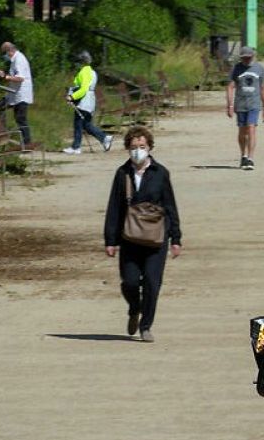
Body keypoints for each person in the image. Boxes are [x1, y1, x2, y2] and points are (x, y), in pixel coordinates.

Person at [103, 125, 183, 343]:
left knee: (151, 282)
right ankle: (134, 308)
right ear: (128, 149)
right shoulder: (122, 174)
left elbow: (170, 206)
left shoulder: (160, 173)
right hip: (129, 238)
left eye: (142, 146)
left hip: (156, 239)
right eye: (133, 147)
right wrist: (110, 240)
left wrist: (176, 238)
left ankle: (145, 326)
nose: (138, 150)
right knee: (129, 282)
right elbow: (114, 208)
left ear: (149, 147)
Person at [227, 47, 264, 170]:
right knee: (242, 131)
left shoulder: (259, 69)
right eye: (244, 57)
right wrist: (229, 105)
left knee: (251, 128)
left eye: (248, 57)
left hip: (254, 104)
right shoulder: (236, 69)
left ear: (253, 56)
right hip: (240, 103)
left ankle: (250, 158)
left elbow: (262, 88)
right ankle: (243, 155)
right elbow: (230, 87)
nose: (246, 60)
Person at [63, 51, 112, 154]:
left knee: (78, 123)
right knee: (86, 125)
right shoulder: (92, 72)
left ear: (82, 61)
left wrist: (72, 97)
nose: (76, 64)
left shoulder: (84, 72)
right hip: (90, 101)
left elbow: (83, 89)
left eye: (78, 61)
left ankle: (76, 147)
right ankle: (104, 138)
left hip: (84, 101)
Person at [0, 41, 34, 145]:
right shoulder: (15, 60)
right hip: (14, 93)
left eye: (4, 54)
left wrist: (5, 77)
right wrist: (5, 75)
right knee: (0, 106)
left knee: (20, 118)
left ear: (9, 51)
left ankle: (27, 143)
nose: (4, 56)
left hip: (21, 94)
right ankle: (2, 134)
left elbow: (20, 78)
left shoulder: (19, 60)